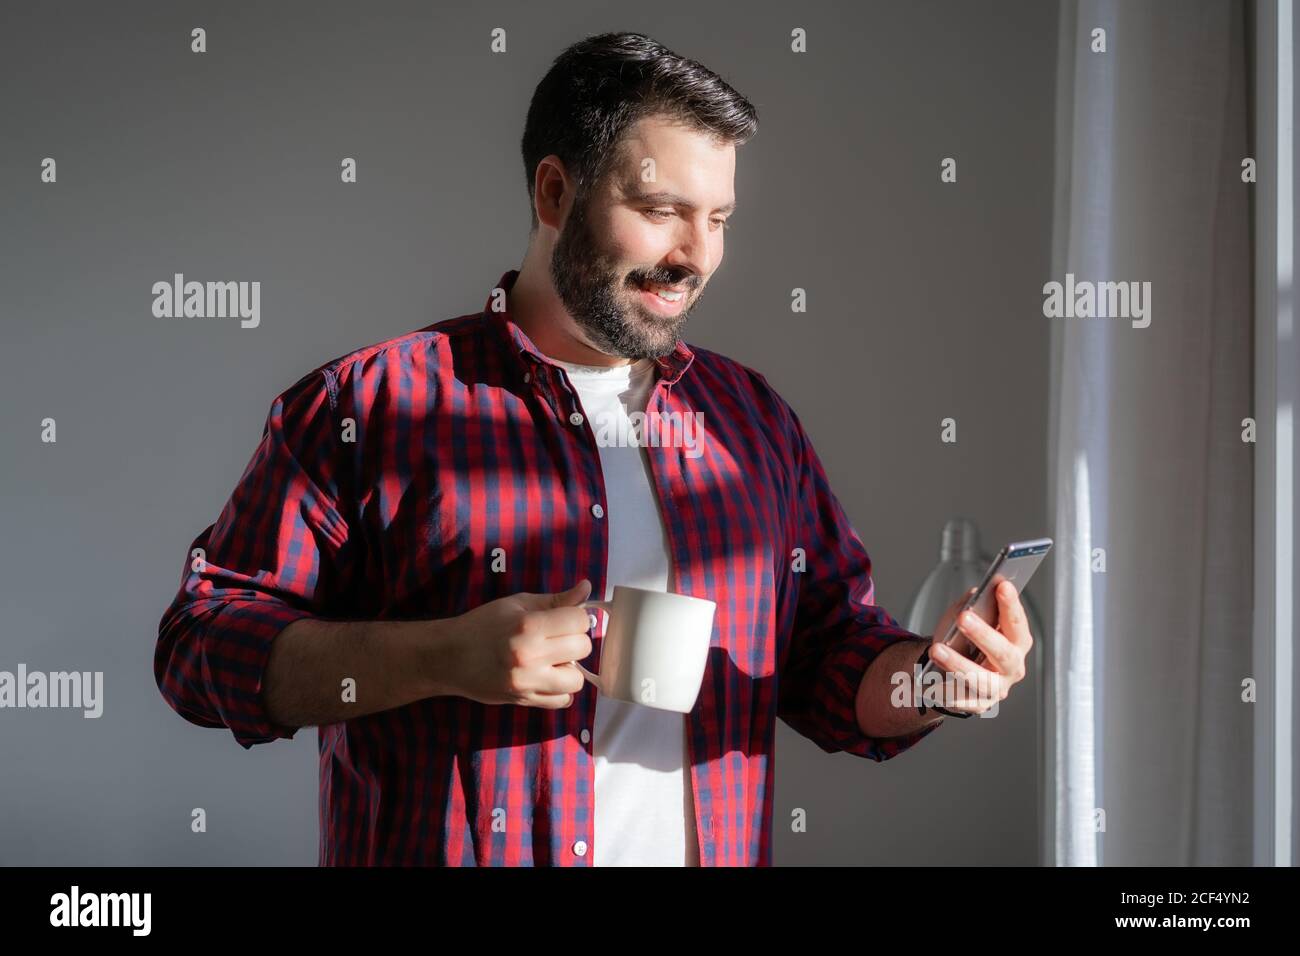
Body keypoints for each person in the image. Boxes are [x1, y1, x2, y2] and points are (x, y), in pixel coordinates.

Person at [154, 31, 1033, 866]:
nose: (697, 255)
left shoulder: (753, 423)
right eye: (661, 212)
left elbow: (831, 661)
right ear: (553, 194)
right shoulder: (368, 407)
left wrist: (933, 680)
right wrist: (440, 656)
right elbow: (199, 649)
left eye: (719, 218)